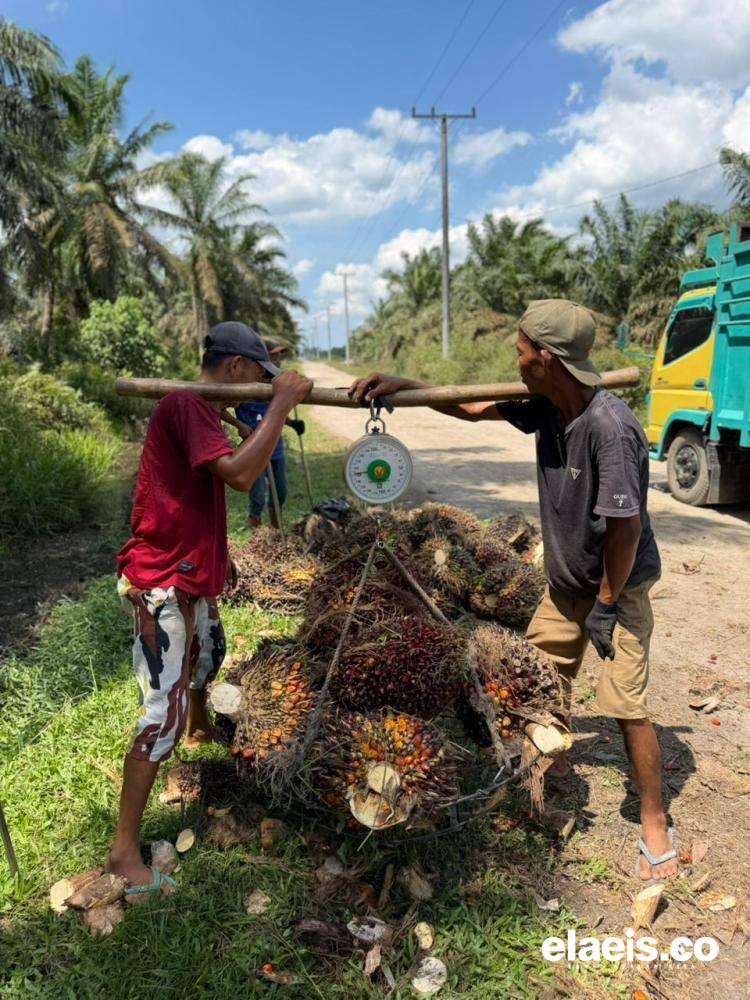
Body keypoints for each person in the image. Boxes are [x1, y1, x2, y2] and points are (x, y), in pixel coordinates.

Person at [349, 299, 677, 883]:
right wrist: (405, 385)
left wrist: (605, 604)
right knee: (530, 687)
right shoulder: (546, 405)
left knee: (625, 708)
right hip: (565, 585)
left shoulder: (611, 429)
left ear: (546, 359)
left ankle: (654, 820)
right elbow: (473, 407)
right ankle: (537, 784)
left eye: (520, 351)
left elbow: (625, 529)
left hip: (615, 589)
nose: (515, 359)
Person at [111, 321, 312, 898]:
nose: (260, 383)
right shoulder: (188, 403)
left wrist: (262, 412)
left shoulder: (198, 408)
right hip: (164, 581)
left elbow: (232, 456)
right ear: (234, 368)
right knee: (160, 715)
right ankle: (123, 852)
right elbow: (243, 474)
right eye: (258, 375)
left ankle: (198, 729)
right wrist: (281, 404)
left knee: (210, 656)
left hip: (191, 574)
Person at [235, 341, 305, 529]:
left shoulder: (278, 381)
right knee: (257, 496)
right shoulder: (245, 382)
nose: (278, 360)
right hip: (255, 448)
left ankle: (275, 534)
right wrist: (239, 423)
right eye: (273, 356)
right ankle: (257, 540)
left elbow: (277, 411)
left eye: (279, 356)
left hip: (276, 448)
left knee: (279, 493)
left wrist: (292, 424)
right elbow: (219, 407)